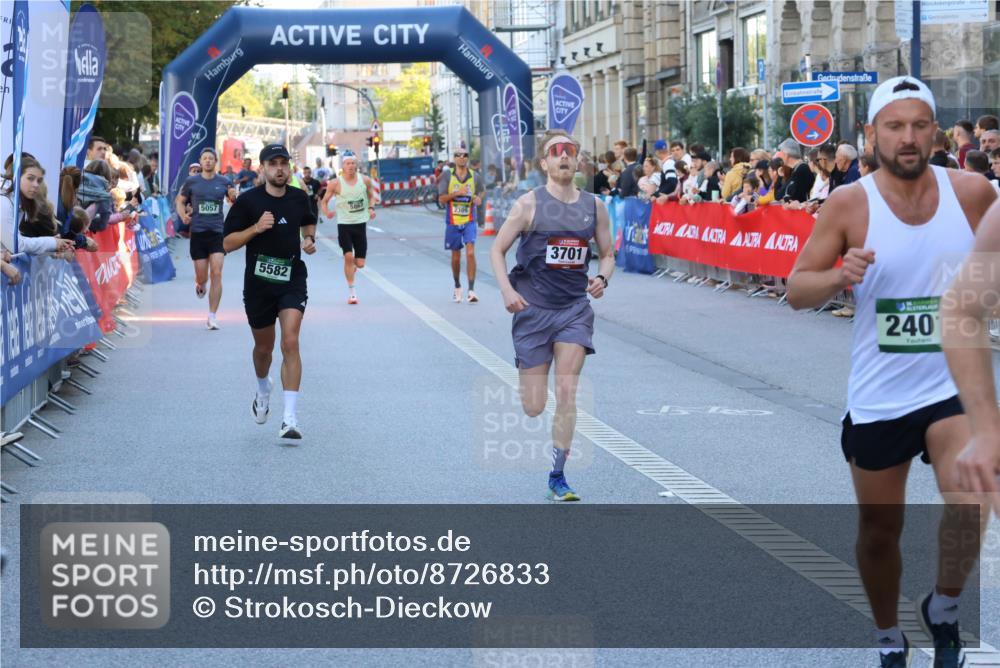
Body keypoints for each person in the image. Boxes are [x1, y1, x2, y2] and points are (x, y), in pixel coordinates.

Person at [786, 76, 996, 668]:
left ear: (935, 132)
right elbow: (798, 290)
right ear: (872, 135)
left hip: (953, 387)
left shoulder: (974, 193)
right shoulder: (850, 203)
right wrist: (837, 276)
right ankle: (888, 638)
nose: (908, 139)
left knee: (970, 501)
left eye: (919, 125)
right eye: (895, 127)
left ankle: (945, 607)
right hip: (882, 394)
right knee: (880, 533)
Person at [489, 130, 614, 502]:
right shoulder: (527, 205)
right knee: (534, 406)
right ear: (544, 163)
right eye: (555, 152)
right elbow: (497, 250)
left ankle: (558, 476)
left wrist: (602, 278)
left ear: (577, 162)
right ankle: (529, 376)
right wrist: (508, 291)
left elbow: (607, 253)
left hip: (573, 310)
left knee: (566, 390)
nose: (564, 156)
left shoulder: (595, 207)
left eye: (570, 151)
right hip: (531, 310)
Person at [222, 144, 317, 440]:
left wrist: (309, 239)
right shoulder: (249, 202)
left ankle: (289, 419)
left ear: (289, 167)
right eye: (273, 163)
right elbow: (227, 244)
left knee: (290, 342)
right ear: (262, 168)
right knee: (264, 349)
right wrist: (255, 229)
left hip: (291, 279)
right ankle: (263, 387)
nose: (279, 169)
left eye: (284, 163)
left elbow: (308, 221)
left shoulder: (299, 198)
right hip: (259, 285)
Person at [175, 147, 237, 330]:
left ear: (215, 161)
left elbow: (232, 197)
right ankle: (200, 283)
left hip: (217, 232)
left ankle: (212, 316)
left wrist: (233, 196)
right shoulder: (191, 181)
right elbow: (180, 200)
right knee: (203, 277)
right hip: (198, 233)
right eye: (205, 158)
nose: (208, 161)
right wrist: (182, 216)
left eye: (211, 158)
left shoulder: (224, 181)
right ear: (201, 162)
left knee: (216, 273)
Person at [320, 151, 377, 305]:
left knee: (360, 264)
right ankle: (352, 293)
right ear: (343, 166)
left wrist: (371, 208)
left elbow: (372, 195)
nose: (350, 166)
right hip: (344, 224)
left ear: (356, 164)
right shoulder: (335, 183)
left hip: (360, 224)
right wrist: (327, 213)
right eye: (347, 163)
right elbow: (324, 201)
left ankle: (351, 269)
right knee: (348, 257)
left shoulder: (365, 180)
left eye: (353, 163)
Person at [1, 153, 75, 256]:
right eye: (30, 178)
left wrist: (52, 246)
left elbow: (17, 242)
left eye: (39, 180)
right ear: (16, 176)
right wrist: (52, 243)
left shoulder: (20, 202)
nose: (36, 185)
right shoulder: (4, 201)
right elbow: (16, 245)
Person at [438, 142, 484, 303]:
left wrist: (479, 198)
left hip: (469, 220)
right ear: (454, 158)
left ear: (468, 158)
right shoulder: (447, 176)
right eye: (458, 154)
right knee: (456, 257)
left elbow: (481, 191)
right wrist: (457, 193)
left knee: (470, 252)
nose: (462, 157)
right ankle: (457, 285)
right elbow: (442, 199)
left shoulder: (475, 176)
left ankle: (471, 290)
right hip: (452, 221)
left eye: (465, 155)